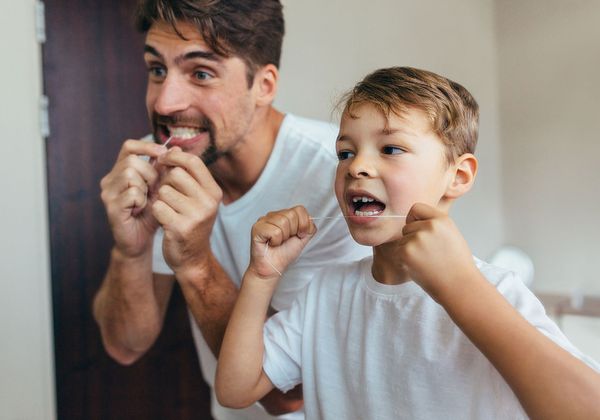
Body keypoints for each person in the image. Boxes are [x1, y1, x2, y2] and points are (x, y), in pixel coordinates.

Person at [215, 66, 600, 419]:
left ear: (459, 176)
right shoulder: (325, 292)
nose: (356, 167)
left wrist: (460, 287)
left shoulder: (496, 290)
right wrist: (261, 277)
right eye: (345, 152)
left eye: (390, 149)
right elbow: (236, 389)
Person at [92, 1, 369, 419]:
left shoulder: (340, 181)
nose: (165, 103)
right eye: (157, 70)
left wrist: (195, 263)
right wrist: (129, 249)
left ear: (264, 85)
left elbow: (288, 394)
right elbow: (125, 345)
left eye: (200, 73)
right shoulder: (159, 168)